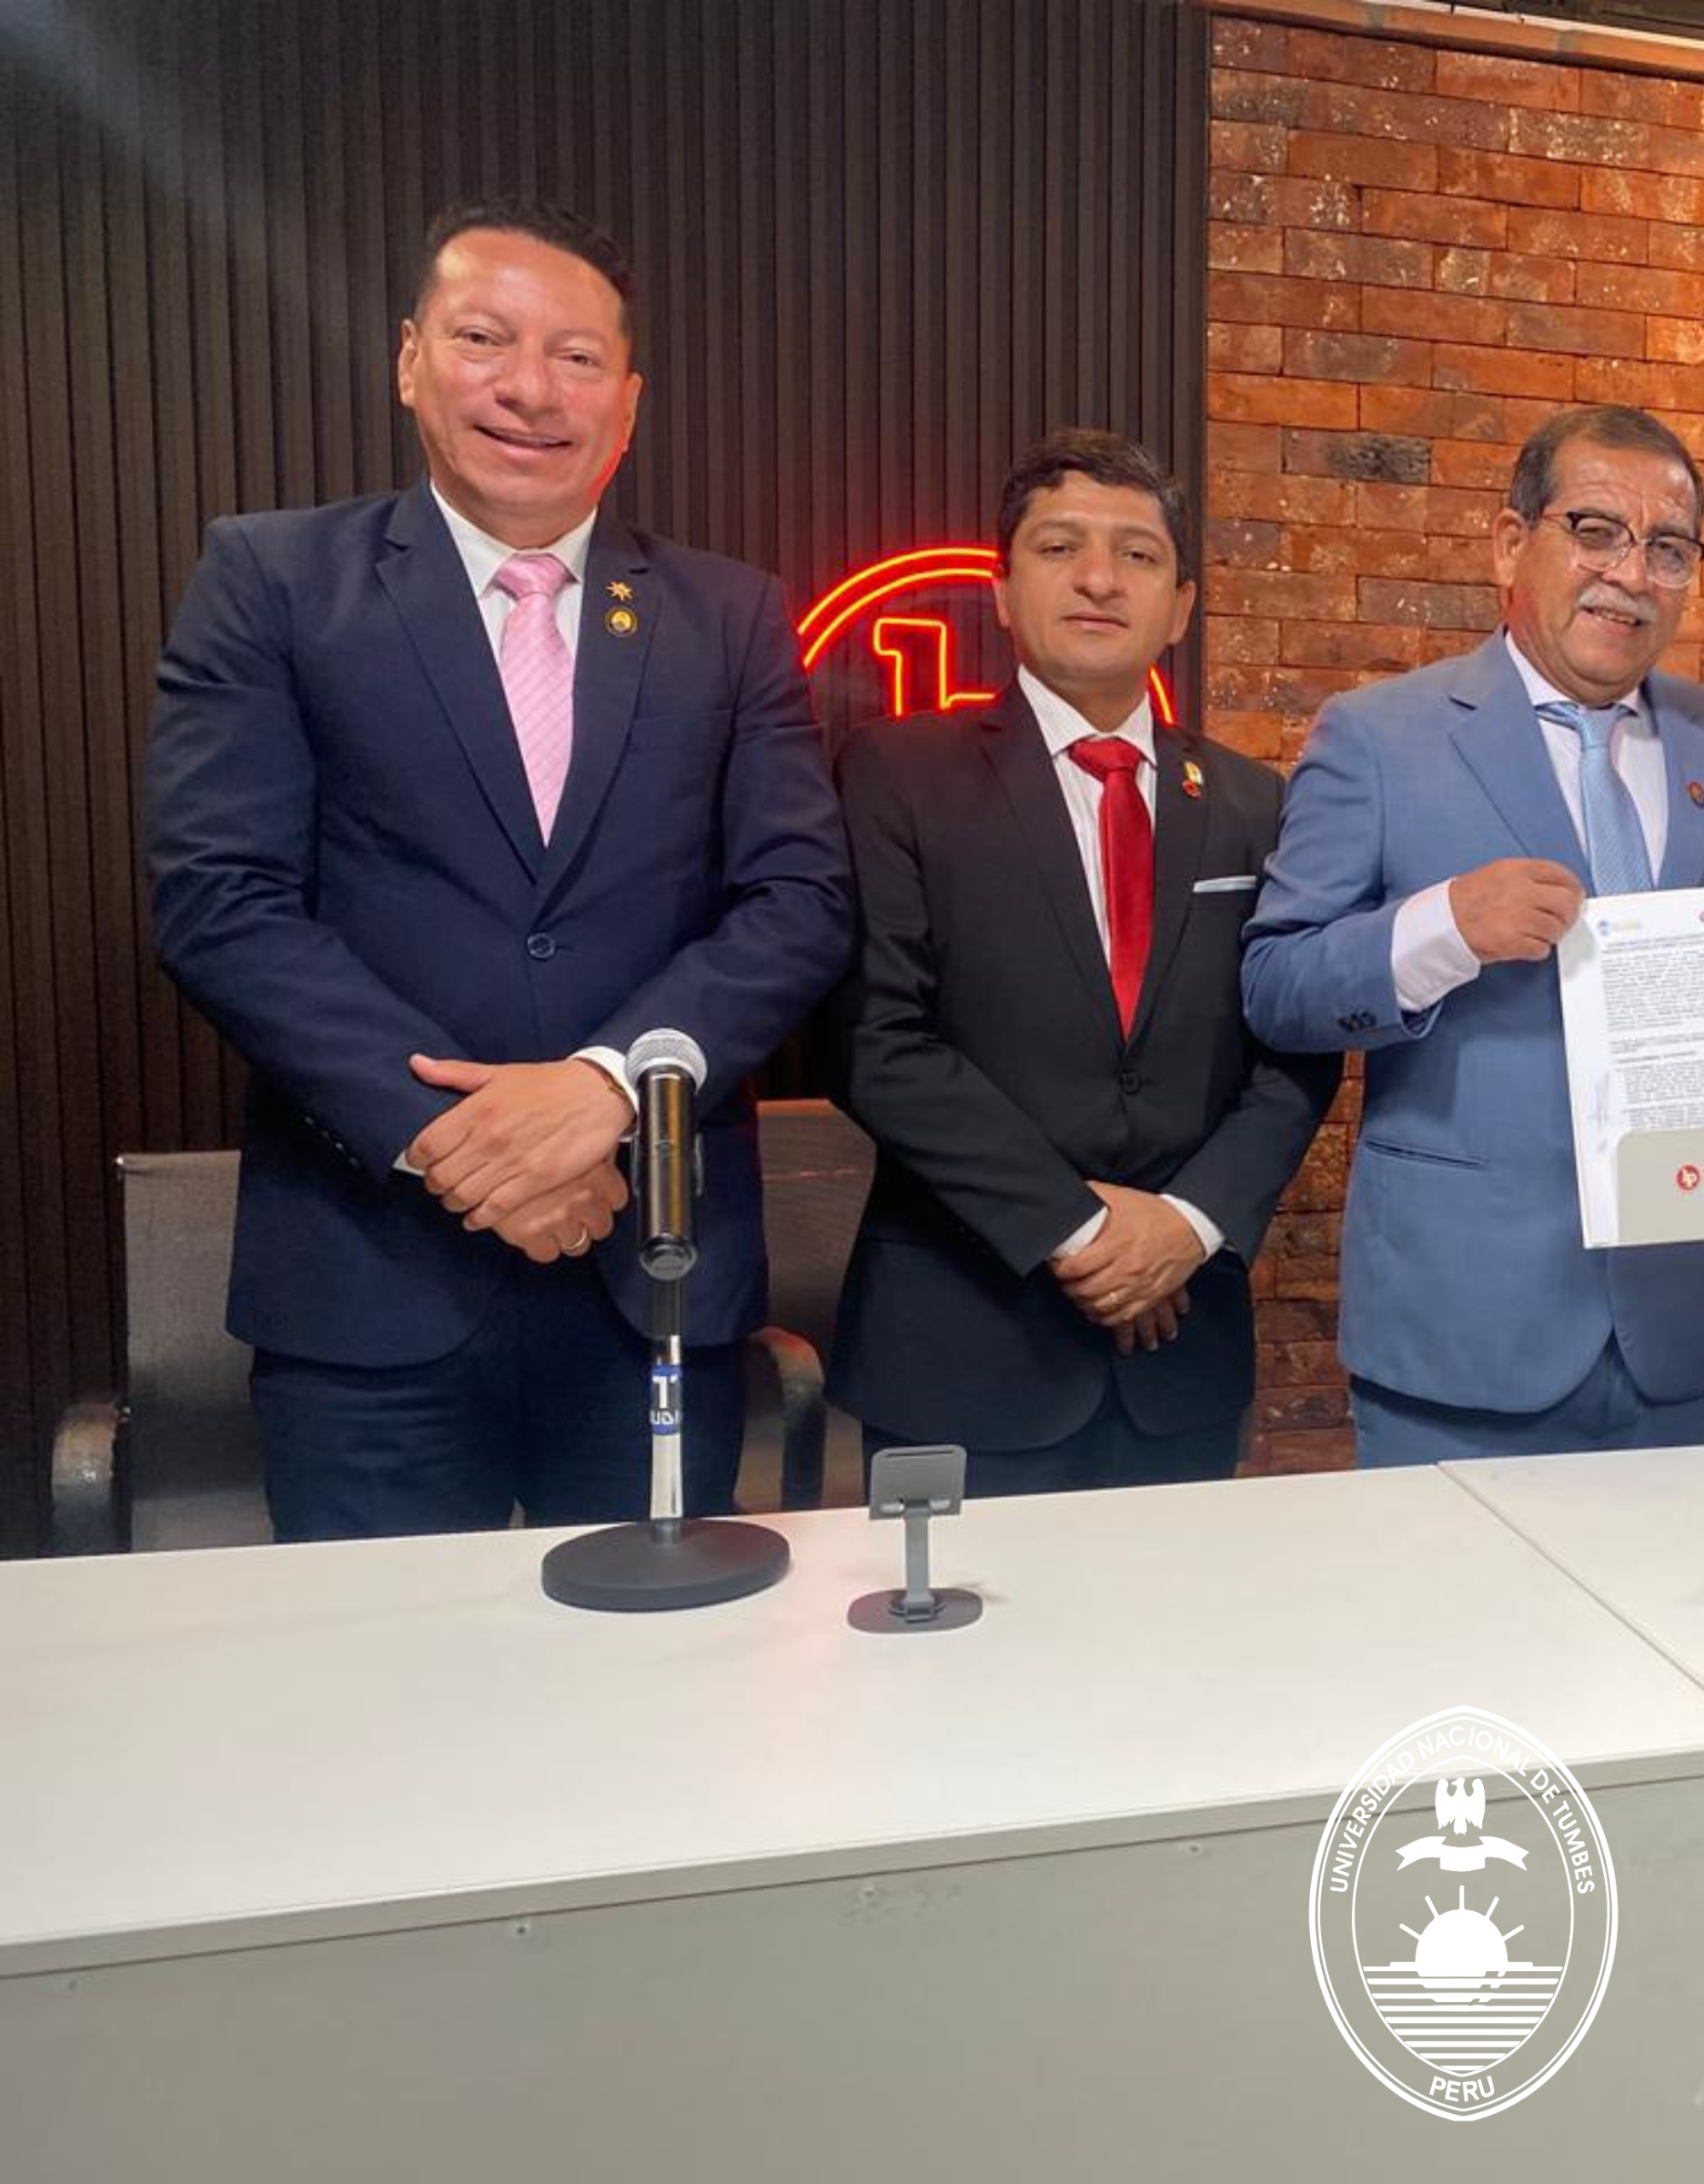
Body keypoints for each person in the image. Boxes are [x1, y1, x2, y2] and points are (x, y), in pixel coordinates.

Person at [145, 198, 853, 1540]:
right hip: (370, 1282)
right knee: (383, 1668)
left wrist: (608, 1087)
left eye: (577, 358)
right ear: (411, 360)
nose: (530, 388)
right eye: (484, 339)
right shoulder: (273, 580)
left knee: (660, 1661)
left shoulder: (729, 614)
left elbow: (797, 901)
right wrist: (463, 1149)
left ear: (626, 403)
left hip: (653, 1274)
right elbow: (221, 903)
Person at [1241, 404, 1704, 1465]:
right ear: (1510, 543)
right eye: (1595, 531)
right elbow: (1276, 986)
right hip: (1462, 1329)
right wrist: (1441, 929)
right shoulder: (1380, 736)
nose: (1631, 573)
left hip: (1676, 1332)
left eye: (1667, 548)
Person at [823, 430, 1336, 1494]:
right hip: (962, 1341)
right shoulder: (897, 773)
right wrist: (1088, 1231)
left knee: (1177, 1609)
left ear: (1180, 606)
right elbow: (875, 1040)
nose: (1100, 578)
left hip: (1183, 1344)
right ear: (1003, 591)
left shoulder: (1252, 802)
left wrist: (1185, 1226)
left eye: (1137, 555)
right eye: (1060, 548)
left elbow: (1293, 1047)